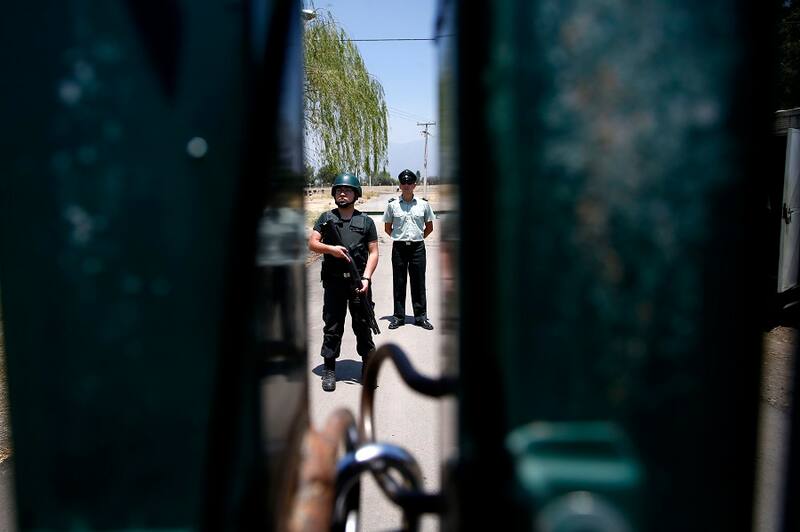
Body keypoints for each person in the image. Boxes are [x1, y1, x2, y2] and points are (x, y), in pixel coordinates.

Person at [308, 173, 379, 392]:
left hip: (359, 283)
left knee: (363, 325)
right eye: (339, 190)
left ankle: (367, 366)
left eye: (347, 190)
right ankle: (330, 369)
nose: (342, 193)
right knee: (332, 326)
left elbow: (374, 252)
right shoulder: (325, 218)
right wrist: (331, 250)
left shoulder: (366, 222)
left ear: (356, 194)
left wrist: (366, 277)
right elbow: (312, 243)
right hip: (333, 283)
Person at [383, 169, 435, 330]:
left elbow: (429, 227)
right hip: (399, 248)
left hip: (417, 248)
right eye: (403, 183)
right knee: (399, 282)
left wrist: (416, 239)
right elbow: (387, 227)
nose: (406, 185)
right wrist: (401, 238)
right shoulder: (392, 205)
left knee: (418, 282)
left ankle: (420, 317)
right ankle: (399, 317)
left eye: (409, 183)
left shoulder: (423, 205)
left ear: (414, 185)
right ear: (400, 185)